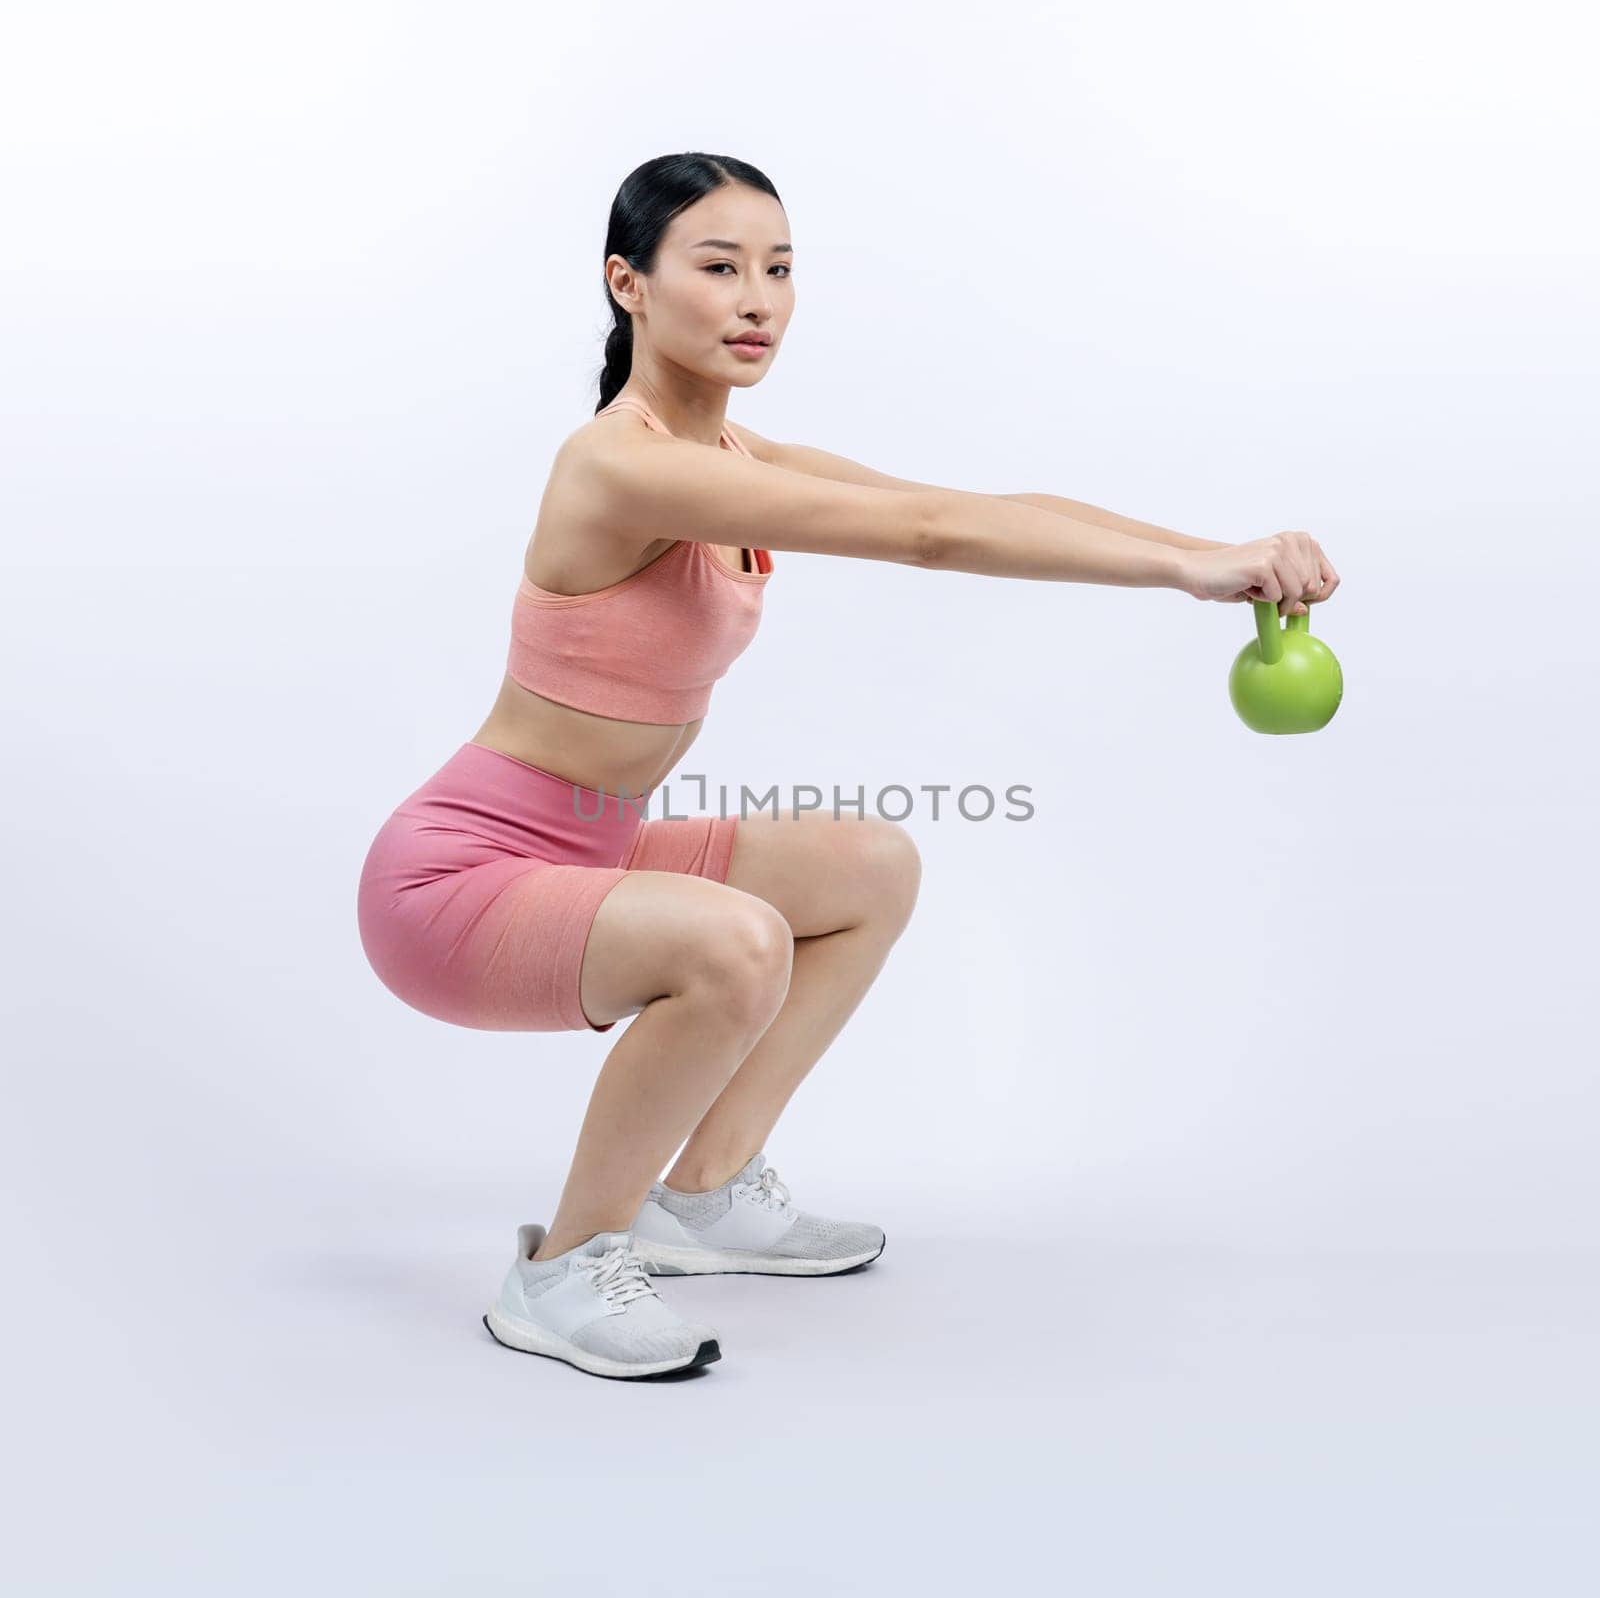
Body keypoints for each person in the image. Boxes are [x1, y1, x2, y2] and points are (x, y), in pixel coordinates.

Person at [356, 152, 1341, 1382]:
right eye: (716, 267)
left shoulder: (739, 458)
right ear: (630, 286)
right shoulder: (618, 463)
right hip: (455, 882)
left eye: (776, 268)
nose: (755, 297)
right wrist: (1179, 571)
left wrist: (1217, 552)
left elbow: (969, 500)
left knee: (866, 865)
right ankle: (561, 1267)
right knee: (735, 943)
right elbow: (928, 540)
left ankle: (706, 1194)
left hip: (589, 841)